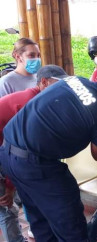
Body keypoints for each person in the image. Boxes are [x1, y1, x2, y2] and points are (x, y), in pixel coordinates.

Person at [0, 62, 97, 241]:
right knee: (71, 227)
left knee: (40, 219)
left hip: (8, 151)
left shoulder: (74, 80)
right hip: (36, 165)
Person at [0, 64, 67, 242]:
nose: (63, 88)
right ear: (44, 83)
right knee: (6, 207)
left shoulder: (40, 100)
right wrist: (9, 185)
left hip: (9, 150)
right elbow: (17, 152)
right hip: (7, 152)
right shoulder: (31, 105)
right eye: (58, 84)